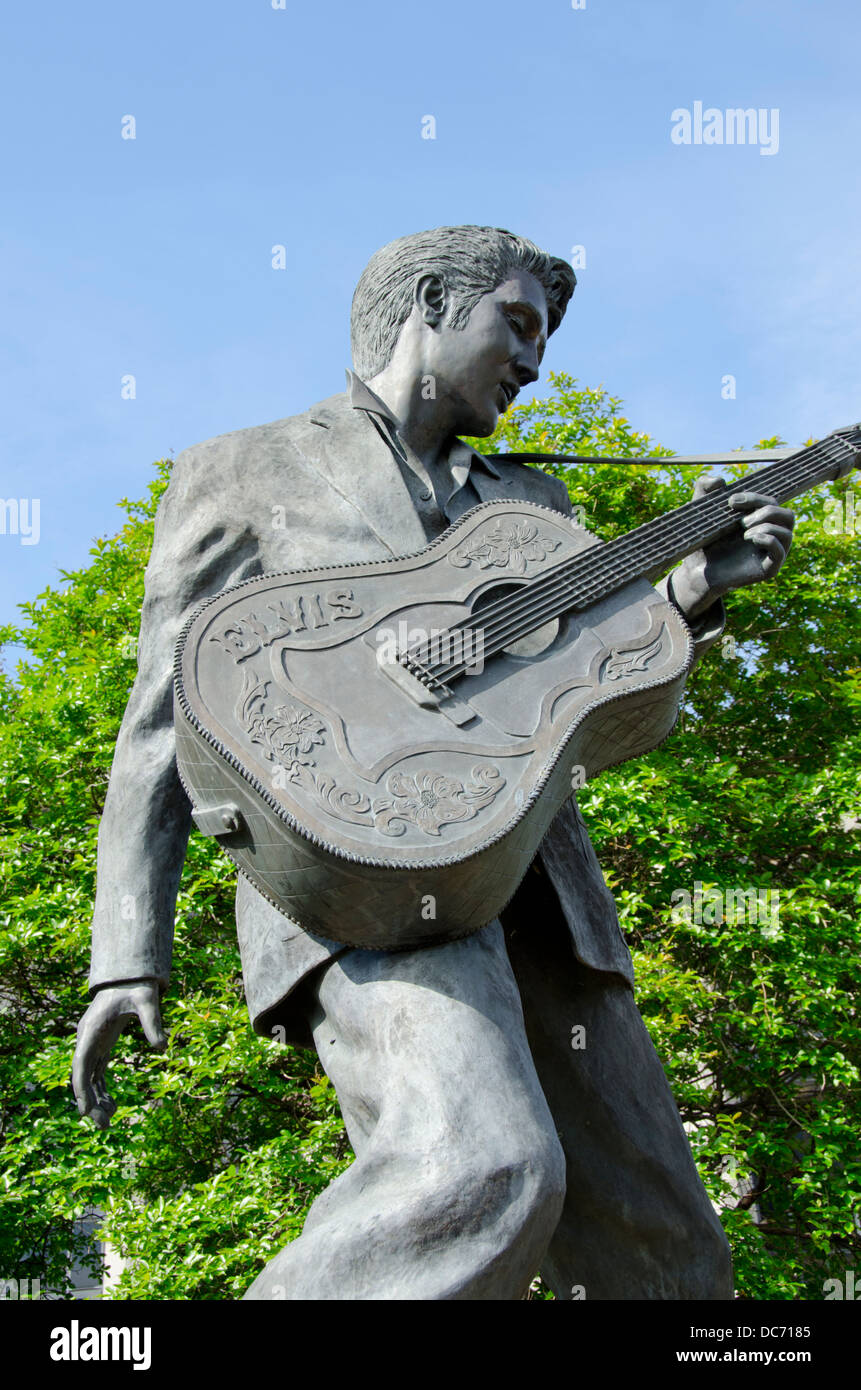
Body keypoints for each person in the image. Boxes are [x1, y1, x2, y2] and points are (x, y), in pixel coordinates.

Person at [72, 226, 795, 1300]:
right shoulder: (243, 470)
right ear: (428, 302)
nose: (536, 361)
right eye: (518, 323)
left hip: (541, 890)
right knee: (475, 1166)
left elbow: (598, 677)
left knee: (670, 1257)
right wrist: (128, 953)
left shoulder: (534, 507)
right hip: (357, 871)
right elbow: (164, 719)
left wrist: (692, 596)